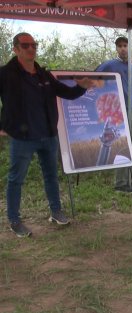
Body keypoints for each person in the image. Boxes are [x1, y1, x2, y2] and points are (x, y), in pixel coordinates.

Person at [0, 32, 95, 237]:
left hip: (48, 135)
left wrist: (81, 87)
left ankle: (56, 212)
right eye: (26, 45)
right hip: (22, 138)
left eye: (34, 44)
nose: (31, 48)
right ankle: (14, 220)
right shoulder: (5, 74)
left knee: (51, 175)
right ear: (15, 49)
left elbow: (66, 93)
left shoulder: (44, 74)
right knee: (16, 179)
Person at [96, 36, 132, 193]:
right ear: (116, 48)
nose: (122, 48)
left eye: (125, 45)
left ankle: (130, 181)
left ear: (130, 47)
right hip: (120, 113)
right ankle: (120, 184)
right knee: (122, 146)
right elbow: (94, 77)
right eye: (119, 46)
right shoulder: (110, 64)